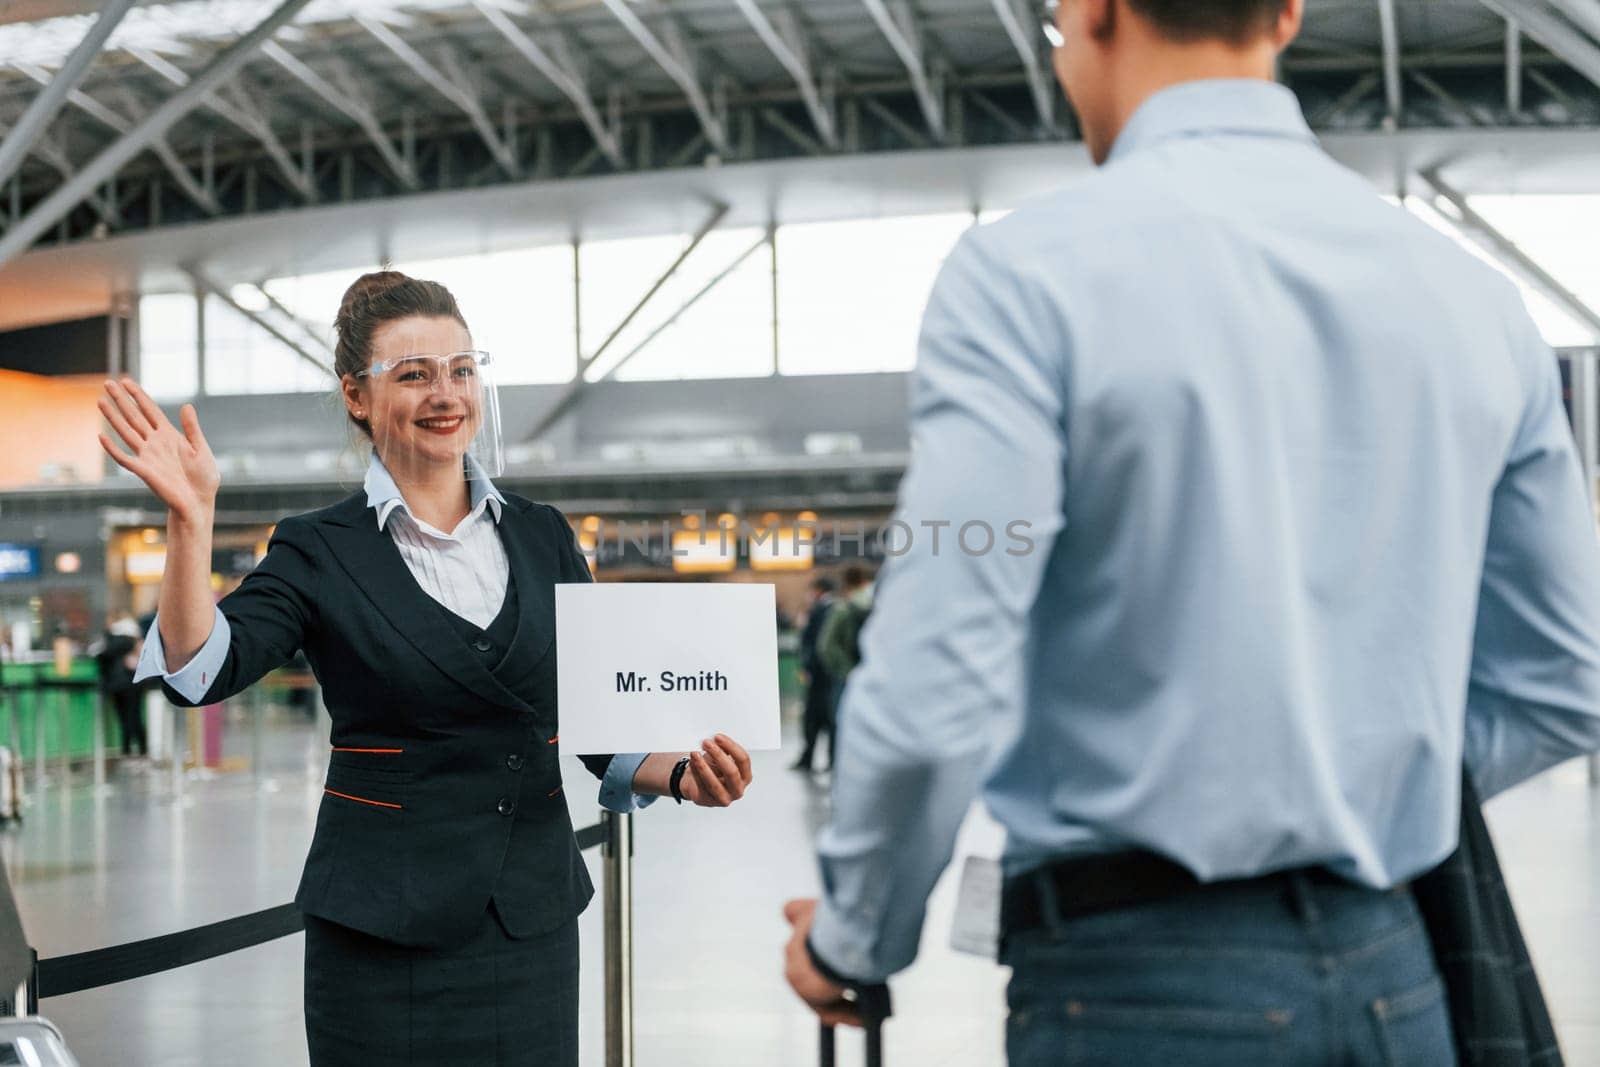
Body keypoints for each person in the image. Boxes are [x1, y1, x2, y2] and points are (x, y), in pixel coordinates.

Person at [781, 1, 1600, 1063]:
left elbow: (938, 677)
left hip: (1137, 982)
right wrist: (1347, 785)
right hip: (1401, 971)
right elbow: (1566, 676)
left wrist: (854, 938)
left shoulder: (1023, 278)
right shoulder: (1474, 300)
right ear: (1289, 11)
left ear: (1088, 10)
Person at [104, 270, 755, 1067]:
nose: (446, 394)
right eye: (413, 374)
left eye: (460, 369)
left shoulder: (544, 536)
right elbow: (200, 667)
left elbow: (595, 719)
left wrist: (686, 772)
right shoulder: (317, 547)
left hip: (531, 927)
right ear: (357, 395)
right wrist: (190, 520)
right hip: (382, 937)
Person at [791, 576, 837, 773]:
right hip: (827, 676)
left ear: (819, 589)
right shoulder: (833, 608)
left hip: (820, 676)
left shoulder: (822, 610)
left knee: (816, 717)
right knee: (826, 718)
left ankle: (812, 758)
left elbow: (816, 643)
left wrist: (808, 668)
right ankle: (827, 760)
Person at [94, 614, 147, 758]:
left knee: (125, 718)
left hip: (116, 685)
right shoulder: (132, 642)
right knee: (134, 717)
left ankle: (127, 751)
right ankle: (141, 750)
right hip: (132, 684)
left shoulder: (109, 643)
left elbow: (100, 657)